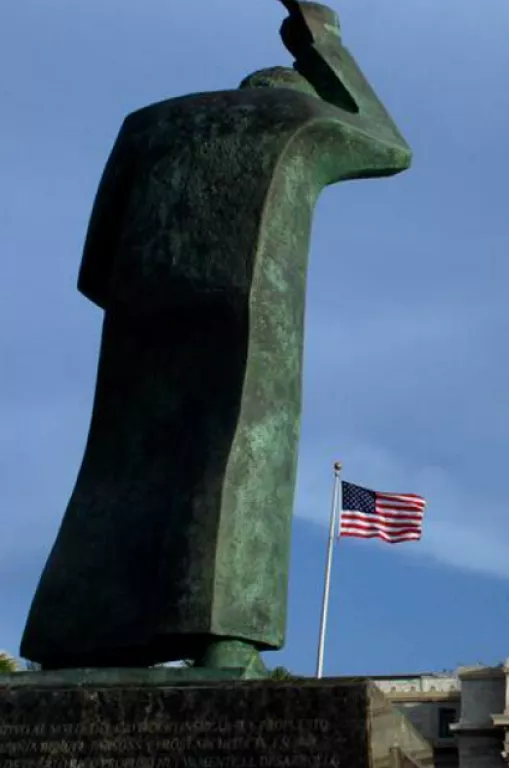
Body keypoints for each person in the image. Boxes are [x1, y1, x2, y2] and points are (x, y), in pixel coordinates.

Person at [21, 1, 411, 674]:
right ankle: (225, 637)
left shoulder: (147, 124)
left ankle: (80, 635)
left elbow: (93, 266)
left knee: (119, 463)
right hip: (252, 306)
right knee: (242, 452)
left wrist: (148, 304)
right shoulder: (301, 119)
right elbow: (392, 147)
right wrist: (325, 47)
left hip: (140, 313)